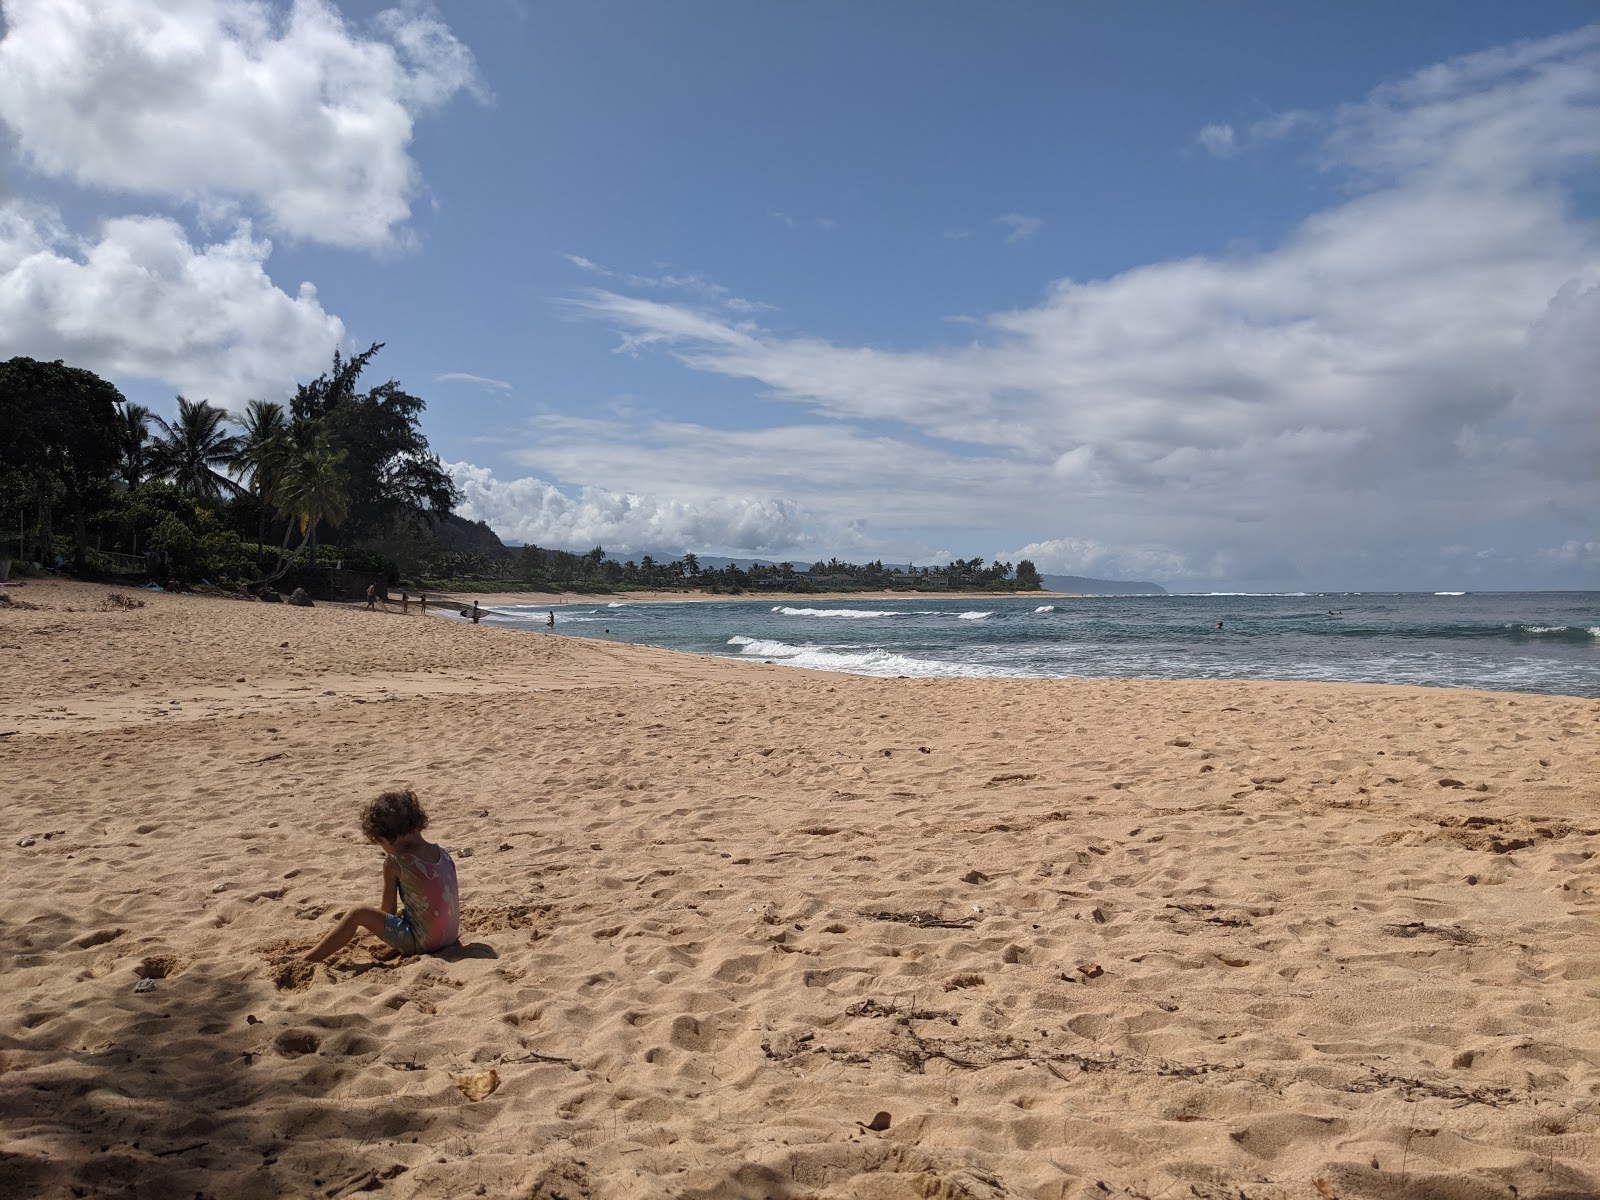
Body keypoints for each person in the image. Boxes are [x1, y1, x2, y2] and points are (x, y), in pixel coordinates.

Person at [304, 789, 459, 962]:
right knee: (406, 911)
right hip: (449, 935)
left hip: (424, 943)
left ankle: (308, 957)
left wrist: (395, 935)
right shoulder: (443, 853)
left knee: (359, 913)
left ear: (387, 838)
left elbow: (387, 911)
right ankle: (401, 943)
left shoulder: (396, 862)